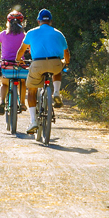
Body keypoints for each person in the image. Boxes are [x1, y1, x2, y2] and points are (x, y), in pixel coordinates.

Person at [16, 8, 70, 136]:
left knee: (32, 90)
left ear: (38, 21)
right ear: (50, 21)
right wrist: (66, 62)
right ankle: (56, 92)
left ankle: (33, 121)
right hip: (54, 63)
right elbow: (66, 53)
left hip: (37, 64)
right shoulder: (59, 33)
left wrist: (18, 60)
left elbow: (21, 51)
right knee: (59, 67)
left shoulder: (31, 32)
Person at [0, 10, 26, 114]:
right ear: (21, 23)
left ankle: (2, 102)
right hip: (20, 66)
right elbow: (30, 47)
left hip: (6, 67)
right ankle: (22, 103)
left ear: (8, 22)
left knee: (4, 84)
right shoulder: (24, 35)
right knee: (22, 82)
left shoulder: (3, 34)